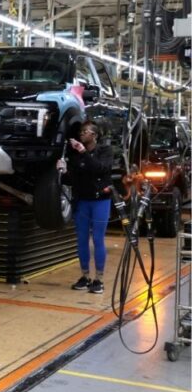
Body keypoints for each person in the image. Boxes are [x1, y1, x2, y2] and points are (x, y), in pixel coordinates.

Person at [57, 120, 113, 294]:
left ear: (94, 135)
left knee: (97, 239)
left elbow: (100, 169)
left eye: (85, 131)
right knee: (81, 239)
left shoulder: (105, 151)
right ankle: (85, 275)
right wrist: (63, 171)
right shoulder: (76, 155)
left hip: (100, 201)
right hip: (82, 201)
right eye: (81, 131)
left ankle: (99, 279)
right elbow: (72, 180)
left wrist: (83, 152)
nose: (82, 133)